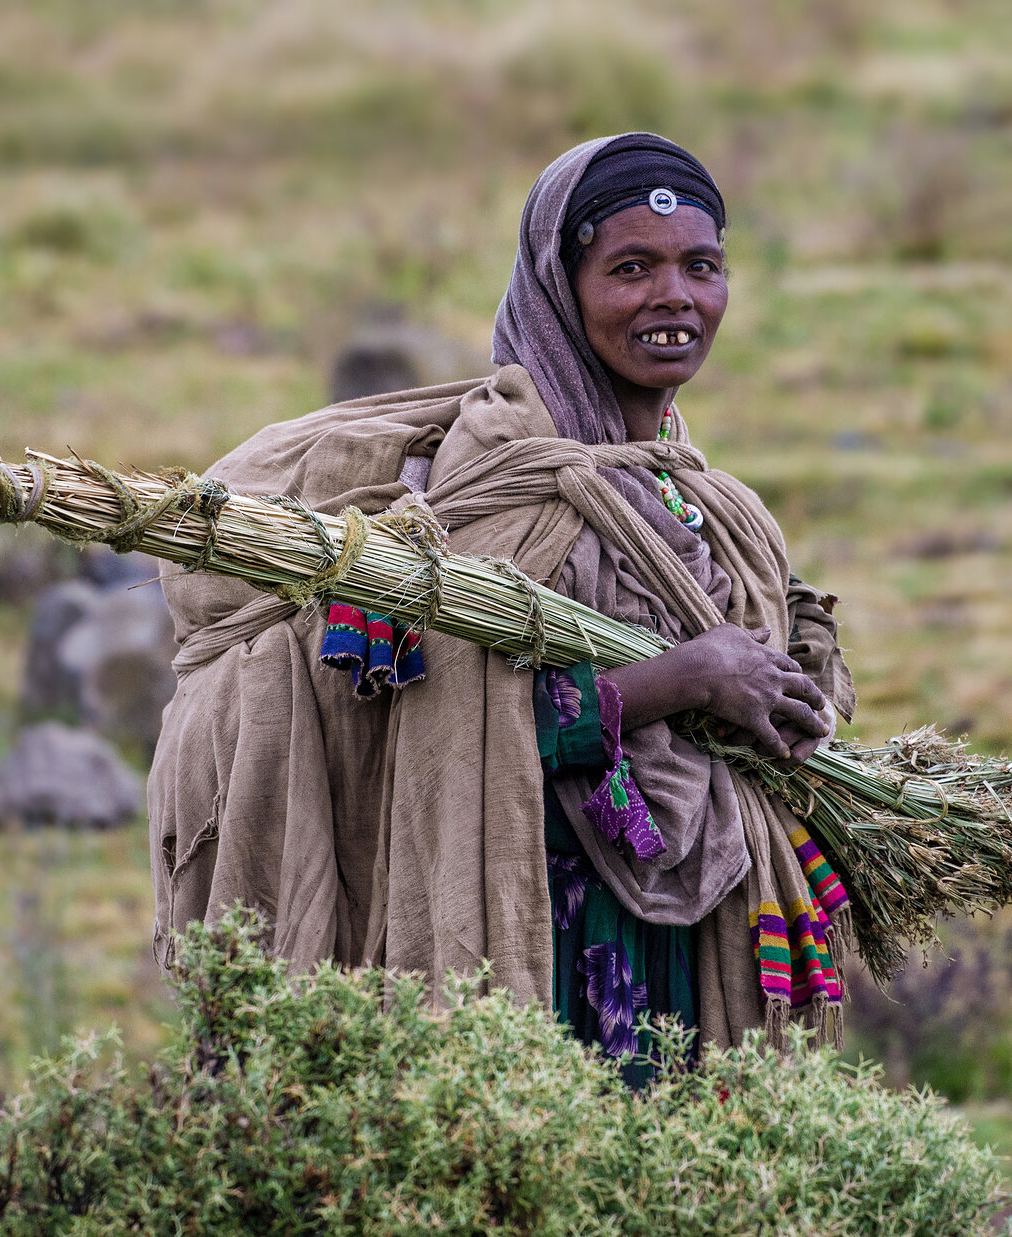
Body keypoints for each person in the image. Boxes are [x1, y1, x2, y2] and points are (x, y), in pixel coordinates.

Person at [150, 134, 856, 1080]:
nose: (674, 298)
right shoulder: (500, 485)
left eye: (701, 267)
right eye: (631, 269)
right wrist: (689, 677)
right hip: (531, 930)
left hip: (688, 937)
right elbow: (452, 722)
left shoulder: (711, 499)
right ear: (560, 288)